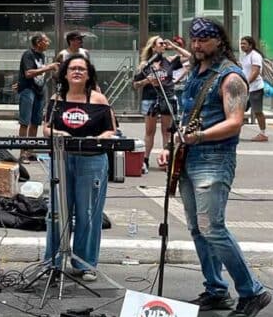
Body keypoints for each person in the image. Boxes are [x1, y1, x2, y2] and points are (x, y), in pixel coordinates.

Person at [158, 17, 272, 317]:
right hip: (189, 155)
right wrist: (173, 147)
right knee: (197, 228)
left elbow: (235, 121)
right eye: (194, 41)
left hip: (214, 157)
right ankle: (216, 287)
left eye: (203, 40)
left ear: (219, 41)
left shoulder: (231, 77)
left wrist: (199, 136)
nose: (197, 46)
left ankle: (252, 291)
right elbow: (187, 116)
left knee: (213, 228)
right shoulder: (195, 71)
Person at [43, 54, 117, 282]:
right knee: (56, 212)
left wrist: (98, 138)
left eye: (81, 69)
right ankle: (53, 262)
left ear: (88, 75)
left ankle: (85, 263)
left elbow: (111, 130)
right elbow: (46, 129)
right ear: (64, 74)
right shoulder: (56, 99)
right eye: (72, 68)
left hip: (91, 160)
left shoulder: (99, 100)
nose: (76, 72)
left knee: (88, 213)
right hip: (63, 159)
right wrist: (57, 134)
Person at [133, 35, 191, 174]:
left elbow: (189, 56)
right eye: (161, 43)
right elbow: (135, 84)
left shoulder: (169, 61)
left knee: (167, 131)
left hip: (167, 97)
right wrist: (147, 81)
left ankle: (167, 159)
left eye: (165, 44)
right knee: (150, 131)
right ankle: (145, 160)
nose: (164, 45)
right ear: (153, 47)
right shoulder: (145, 64)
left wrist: (174, 46)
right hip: (151, 98)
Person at [17, 33, 60, 161]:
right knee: (25, 121)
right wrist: (48, 68)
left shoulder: (41, 55)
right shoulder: (28, 54)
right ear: (38, 42)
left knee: (36, 122)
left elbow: (39, 73)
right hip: (28, 90)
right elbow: (28, 73)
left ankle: (30, 150)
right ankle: (23, 152)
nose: (48, 43)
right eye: (46, 41)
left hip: (39, 91)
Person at [240, 36, 268, 142]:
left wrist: (246, 83)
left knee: (258, 111)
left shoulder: (255, 56)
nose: (242, 46)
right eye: (241, 44)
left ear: (250, 45)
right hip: (247, 89)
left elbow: (255, 72)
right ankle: (232, 132)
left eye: (244, 44)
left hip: (255, 88)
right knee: (238, 110)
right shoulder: (246, 56)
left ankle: (263, 134)